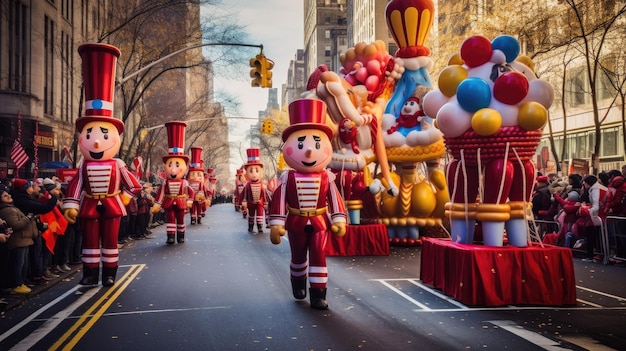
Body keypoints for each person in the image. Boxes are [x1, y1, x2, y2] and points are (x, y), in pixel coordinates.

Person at [62, 44, 142, 286]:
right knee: (89, 241)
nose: (96, 141)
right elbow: (75, 186)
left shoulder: (118, 164)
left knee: (109, 241)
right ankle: (89, 274)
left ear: (115, 138)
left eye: (104, 135)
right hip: (89, 204)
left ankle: (108, 274)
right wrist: (71, 204)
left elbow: (135, 185)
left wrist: (125, 197)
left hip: (112, 203)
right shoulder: (82, 165)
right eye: (89, 135)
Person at [269, 99, 347, 310]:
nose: (310, 152)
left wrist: (339, 219)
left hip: (321, 222)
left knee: (319, 256)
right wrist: (277, 223)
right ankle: (297, 282)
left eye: (317, 144)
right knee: (298, 256)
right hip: (295, 221)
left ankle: (318, 294)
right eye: (301, 144)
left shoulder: (327, 177)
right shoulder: (287, 177)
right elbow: (279, 199)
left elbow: (335, 199)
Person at [151, 121, 194, 244]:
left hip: (180, 202)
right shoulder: (165, 182)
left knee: (180, 219)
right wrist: (158, 203)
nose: (173, 169)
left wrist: (190, 200)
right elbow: (161, 193)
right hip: (169, 202)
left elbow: (191, 192)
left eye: (177, 165)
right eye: (170, 165)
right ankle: (170, 236)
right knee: (170, 219)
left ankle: (181, 235)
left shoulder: (185, 182)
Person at [11, 178, 59, 285]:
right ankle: (25, 280)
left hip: (31, 232)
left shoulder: (28, 199)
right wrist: (53, 197)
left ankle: (28, 279)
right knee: (23, 261)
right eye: (32, 186)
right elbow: (43, 208)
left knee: (27, 260)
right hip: (24, 235)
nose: (36, 188)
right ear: (26, 189)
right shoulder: (24, 201)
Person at [0, 183, 39, 295]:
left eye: (8, 194)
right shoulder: (7, 210)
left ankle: (21, 282)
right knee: (18, 264)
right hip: (18, 240)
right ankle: (17, 284)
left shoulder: (12, 207)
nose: (9, 196)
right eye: (5, 196)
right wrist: (28, 218)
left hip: (24, 239)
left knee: (23, 264)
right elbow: (16, 225)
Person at [239, 148, 270, 234]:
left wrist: (266, 202)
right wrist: (242, 202)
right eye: (251, 171)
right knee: (251, 215)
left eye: (257, 170)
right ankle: (250, 226)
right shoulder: (247, 185)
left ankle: (260, 227)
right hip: (250, 202)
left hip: (260, 203)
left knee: (260, 215)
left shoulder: (262, 185)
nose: (254, 173)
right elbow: (243, 194)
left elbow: (265, 194)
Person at [577, 175, 607, 262]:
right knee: (597, 236)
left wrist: (586, 209)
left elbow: (596, 205)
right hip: (599, 215)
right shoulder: (599, 188)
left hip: (596, 216)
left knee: (593, 236)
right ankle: (597, 254)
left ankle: (593, 255)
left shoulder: (595, 190)